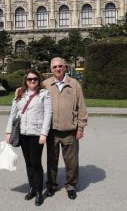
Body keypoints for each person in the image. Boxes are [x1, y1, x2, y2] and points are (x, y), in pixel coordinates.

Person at [5, 69, 52, 206]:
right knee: (28, 162)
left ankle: (38, 192)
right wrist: (8, 132)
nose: (32, 81)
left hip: (36, 133)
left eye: (35, 79)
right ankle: (32, 187)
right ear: (25, 81)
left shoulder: (44, 94)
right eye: (29, 79)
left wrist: (44, 133)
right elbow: (13, 115)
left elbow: (48, 115)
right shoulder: (20, 94)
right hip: (23, 133)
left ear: (38, 80)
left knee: (36, 163)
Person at [43, 57, 88, 200]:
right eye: (55, 67)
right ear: (51, 69)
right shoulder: (45, 85)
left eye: (60, 66)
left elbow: (82, 108)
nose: (58, 69)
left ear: (65, 67)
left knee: (72, 162)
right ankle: (51, 185)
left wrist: (80, 128)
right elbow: (32, 95)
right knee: (51, 160)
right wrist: (20, 91)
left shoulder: (74, 84)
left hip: (70, 131)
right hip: (51, 131)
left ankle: (71, 186)